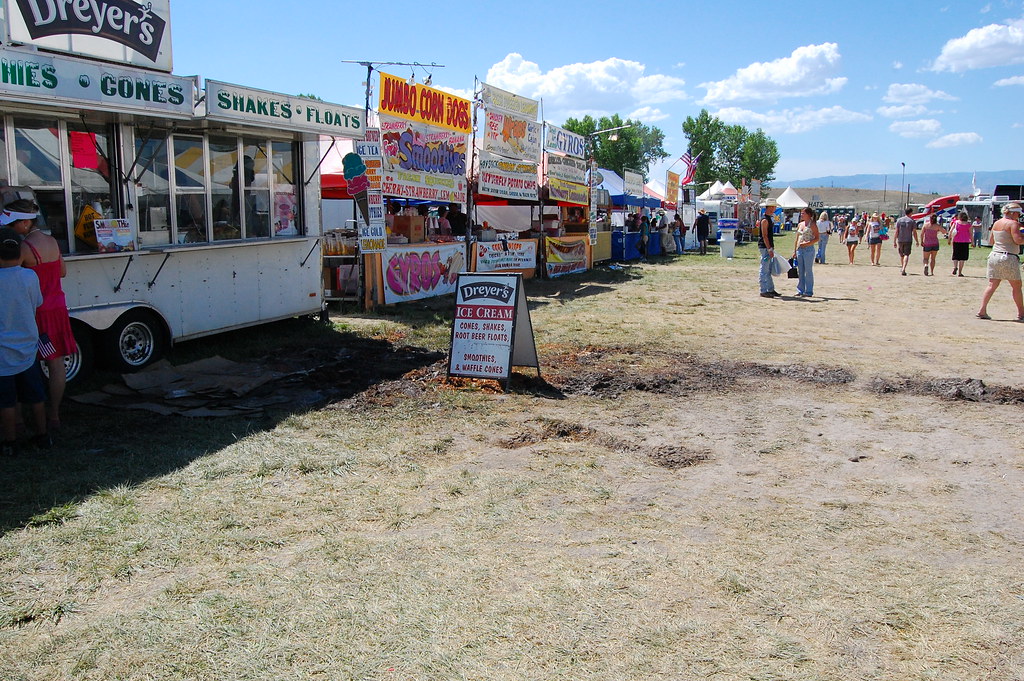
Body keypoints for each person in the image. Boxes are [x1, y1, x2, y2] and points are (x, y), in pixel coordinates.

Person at [3, 200, 77, 429]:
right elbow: (62, 272)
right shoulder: (53, 242)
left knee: (20, 362)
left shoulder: (23, 248)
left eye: (12, 224)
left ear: (25, 223)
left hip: (36, 313)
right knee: (56, 363)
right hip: (57, 309)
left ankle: (18, 418)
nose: (9, 230)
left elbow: (9, 276)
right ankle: (53, 414)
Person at [0, 227, 50, 455]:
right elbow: (37, 303)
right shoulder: (30, 276)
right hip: (29, 347)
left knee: (6, 402)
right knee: (36, 396)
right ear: (20, 253)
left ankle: (10, 443)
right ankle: (42, 436)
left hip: (2, 352)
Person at [977, 202, 1024, 320]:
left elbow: (991, 241)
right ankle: (1021, 314)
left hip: (994, 255)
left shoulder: (996, 223)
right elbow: (1018, 240)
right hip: (1008, 256)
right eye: (1018, 214)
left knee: (992, 284)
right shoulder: (1013, 224)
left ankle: (982, 310)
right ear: (1013, 213)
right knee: (1017, 286)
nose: (1018, 216)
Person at [792, 206, 820, 296]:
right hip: (800, 249)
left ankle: (809, 291)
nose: (801, 215)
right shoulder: (800, 224)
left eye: (803, 213)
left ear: (808, 214)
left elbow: (817, 238)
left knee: (808, 271)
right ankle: (800, 289)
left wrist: (808, 243)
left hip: (808, 250)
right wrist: (794, 251)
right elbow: (797, 238)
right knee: (800, 270)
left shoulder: (813, 225)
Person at [758, 202, 780, 298]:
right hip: (765, 247)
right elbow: (765, 235)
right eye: (774, 206)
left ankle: (770, 289)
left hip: (768, 246)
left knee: (768, 269)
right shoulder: (765, 220)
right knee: (764, 268)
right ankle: (763, 289)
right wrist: (769, 248)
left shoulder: (768, 219)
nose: (775, 208)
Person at [893, 208, 920, 276]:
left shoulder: (899, 220)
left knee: (902, 254)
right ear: (910, 213)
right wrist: (917, 241)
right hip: (908, 240)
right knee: (906, 254)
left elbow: (896, 231)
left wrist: (894, 241)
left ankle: (902, 267)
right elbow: (914, 232)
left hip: (900, 239)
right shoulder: (912, 221)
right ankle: (904, 268)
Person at [949, 211, 972, 276]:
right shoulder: (968, 225)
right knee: (962, 258)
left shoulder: (956, 223)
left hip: (956, 241)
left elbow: (951, 231)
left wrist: (949, 239)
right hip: (965, 242)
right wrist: (972, 242)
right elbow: (971, 234)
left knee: (955, 255)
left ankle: (955, 267)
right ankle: (960, 272)